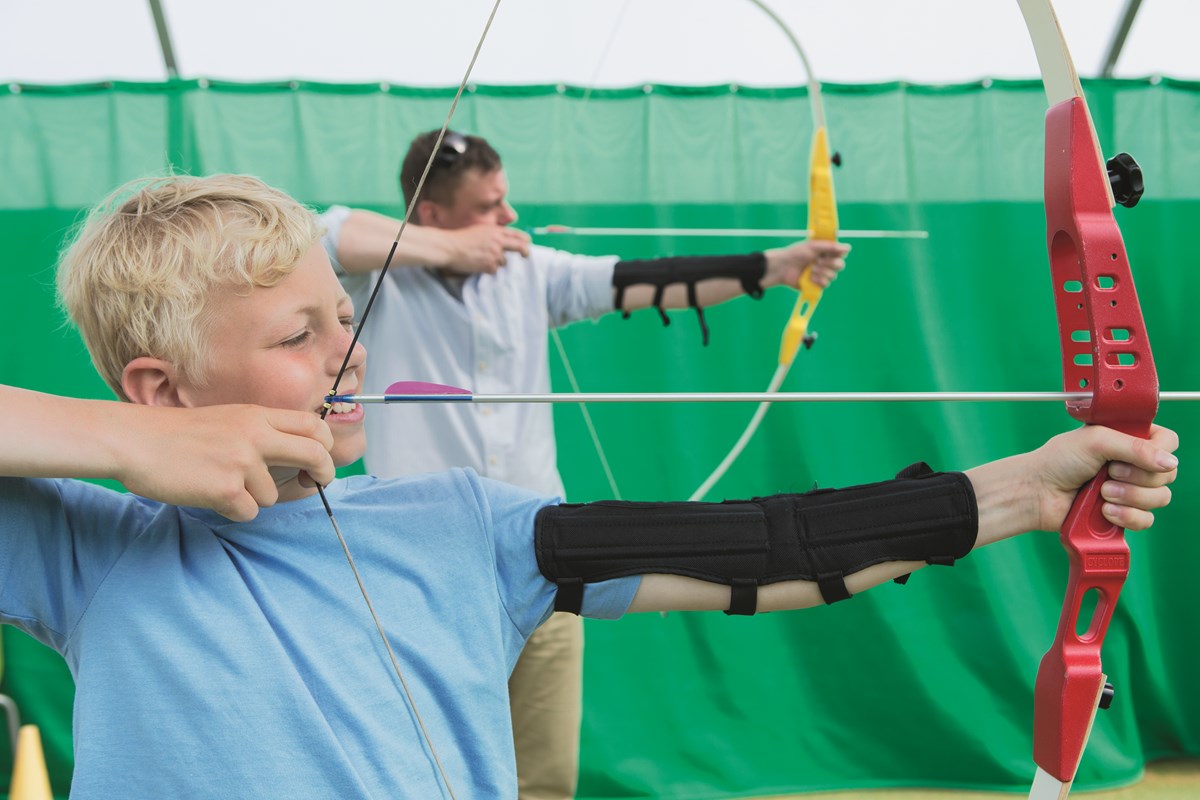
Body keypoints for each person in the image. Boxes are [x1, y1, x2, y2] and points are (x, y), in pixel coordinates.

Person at [1, 174, 1176, 799]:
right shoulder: (91, 546)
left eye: (344, 316)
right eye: (298, 334)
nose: (350, 353)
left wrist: (1024, 488)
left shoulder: (458, 523)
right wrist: (122, 446)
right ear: (157, 386)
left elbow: (761, 543)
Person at [320, 129, 852, 799]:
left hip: (541, 557)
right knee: (419, 771)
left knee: (545, 779)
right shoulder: (371, 281)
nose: (509, 218)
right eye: (489, 206)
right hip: (415, 568)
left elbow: (640, 282)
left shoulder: (529, 271)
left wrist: (772, 266)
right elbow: (319, 233)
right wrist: (452, 251)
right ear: (429, 214)